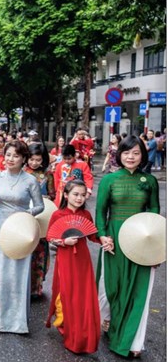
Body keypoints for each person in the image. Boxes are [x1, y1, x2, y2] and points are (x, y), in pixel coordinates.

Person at [96, 135, 160, 358]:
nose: (131, 157)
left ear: (142, 155)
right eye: (126, 152)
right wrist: (103, 236)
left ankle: (132, 341)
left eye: (135, 153)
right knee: (115, 288)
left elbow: (154, 213)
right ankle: (112, 326)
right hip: (115, 240)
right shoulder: (109, 181)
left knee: (139, 290)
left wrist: (157, 248)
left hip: (142, 240)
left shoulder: (149, 181)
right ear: (119, 154)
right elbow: (100, 213)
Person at [0, 140, 44, 333]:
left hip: (21, 231)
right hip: (1, 229)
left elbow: (39, 205)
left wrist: (26, 215)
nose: (11, 159)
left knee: (19, 274)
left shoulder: (30, 180)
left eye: (16, 156)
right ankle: (2, 319)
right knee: (2, 273)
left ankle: (18, 322)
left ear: (24, 158)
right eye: (8, 155)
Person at [46, 180, 100, 354]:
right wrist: (63, 241)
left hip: (82, 259)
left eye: (83, 195)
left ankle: (84, 334)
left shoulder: (86, 215)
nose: (79, 198)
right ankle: (69, 330)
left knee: (83, 296)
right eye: (76, 194)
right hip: (66, 258)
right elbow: (50, 237)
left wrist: (103, 239)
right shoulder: (58, 215)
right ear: (66, 195)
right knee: (68, 294)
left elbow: (92, 235)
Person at [23, 143, 54, 298]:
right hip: (24, 217)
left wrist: (45, 199)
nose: (34, 163)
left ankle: (36, 286)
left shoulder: (47, 174)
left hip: (42, 217)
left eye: (37, 160)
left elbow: (52, 194)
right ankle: (23, 286)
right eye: (31, 159)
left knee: (40, 253)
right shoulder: (22, 173)